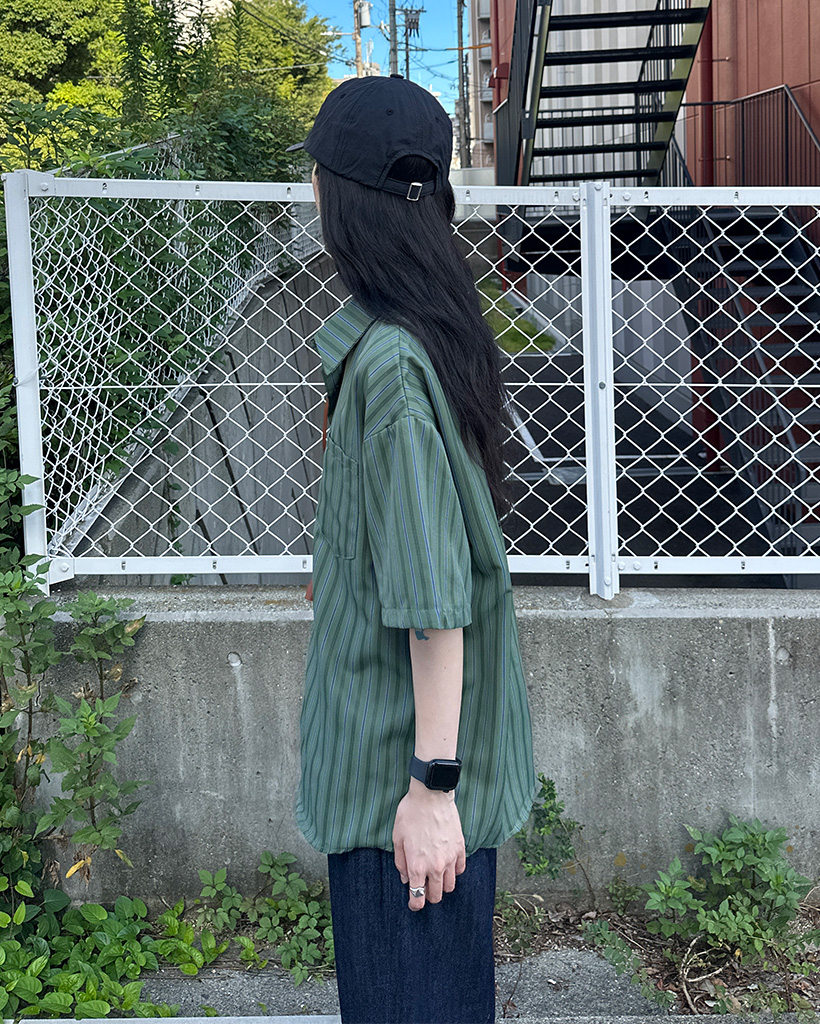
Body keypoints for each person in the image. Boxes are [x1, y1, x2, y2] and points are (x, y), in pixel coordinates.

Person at [286, 74, 539, 1024]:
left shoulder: (390, 364)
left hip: (401, 787)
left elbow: (437, 602)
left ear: (338, 198)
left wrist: (431, 792)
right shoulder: (432, 328)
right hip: (415, 775)